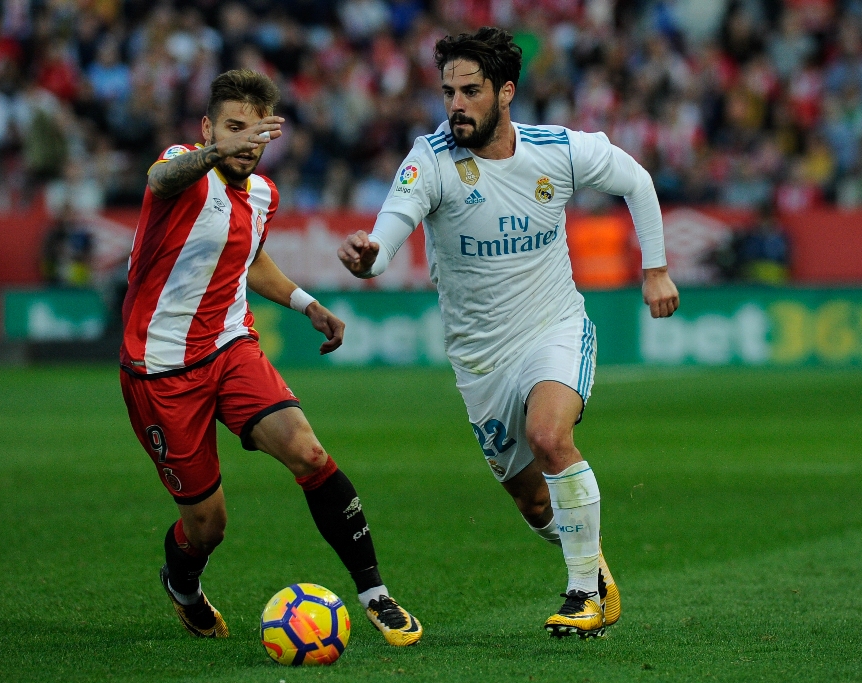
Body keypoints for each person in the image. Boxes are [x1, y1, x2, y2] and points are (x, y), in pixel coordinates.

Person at [338, 28, 679, 639]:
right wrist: (369, 256)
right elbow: (390, 231)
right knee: (535, 503)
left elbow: (637, 180)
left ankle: (581, 595)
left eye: (470, 91)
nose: (456, 105)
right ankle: (591, 566)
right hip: (480, 360)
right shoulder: (431, 159)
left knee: (549, 436)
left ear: (506, 91)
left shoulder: (557, 150)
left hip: (554, 327)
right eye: (448, 92)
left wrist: (654, 269)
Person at [120, 69, 421, 645]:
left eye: (256, 133)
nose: (244, 143)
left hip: (230, 347)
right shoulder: (184, 168)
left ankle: (375, 594)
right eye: (233, 129)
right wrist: (214, 150)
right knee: (207, 527)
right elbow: (158, 178)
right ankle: (183, 585)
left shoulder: (263, 195)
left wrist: (307, 303)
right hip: (159, 372)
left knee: (308, 451)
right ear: (209, 127)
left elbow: (252, 261)